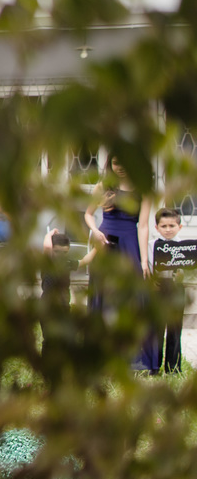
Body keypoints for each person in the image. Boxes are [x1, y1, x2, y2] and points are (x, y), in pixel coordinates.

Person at [85, 156, 154, 371]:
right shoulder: (103, 186)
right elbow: (88, 214)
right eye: (116, 162)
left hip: (130, 242)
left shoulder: (145, 189)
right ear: (110, 164)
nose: (121, 166)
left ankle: (134, 357)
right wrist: (95, 231)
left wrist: (144, 260)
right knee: (103, 294)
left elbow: (143, 226)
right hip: (105, 241)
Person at [150, 208, 185, 374]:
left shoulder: (186, 247)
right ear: (156, 227)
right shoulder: (150, 246)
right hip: (156, 289)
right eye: (164, 226)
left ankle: (173, 368)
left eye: (172, 225)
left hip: (176, 288)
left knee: (174, 329)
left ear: (180, 226)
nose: (168, 229)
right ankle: (154, 366)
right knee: (155, 329)